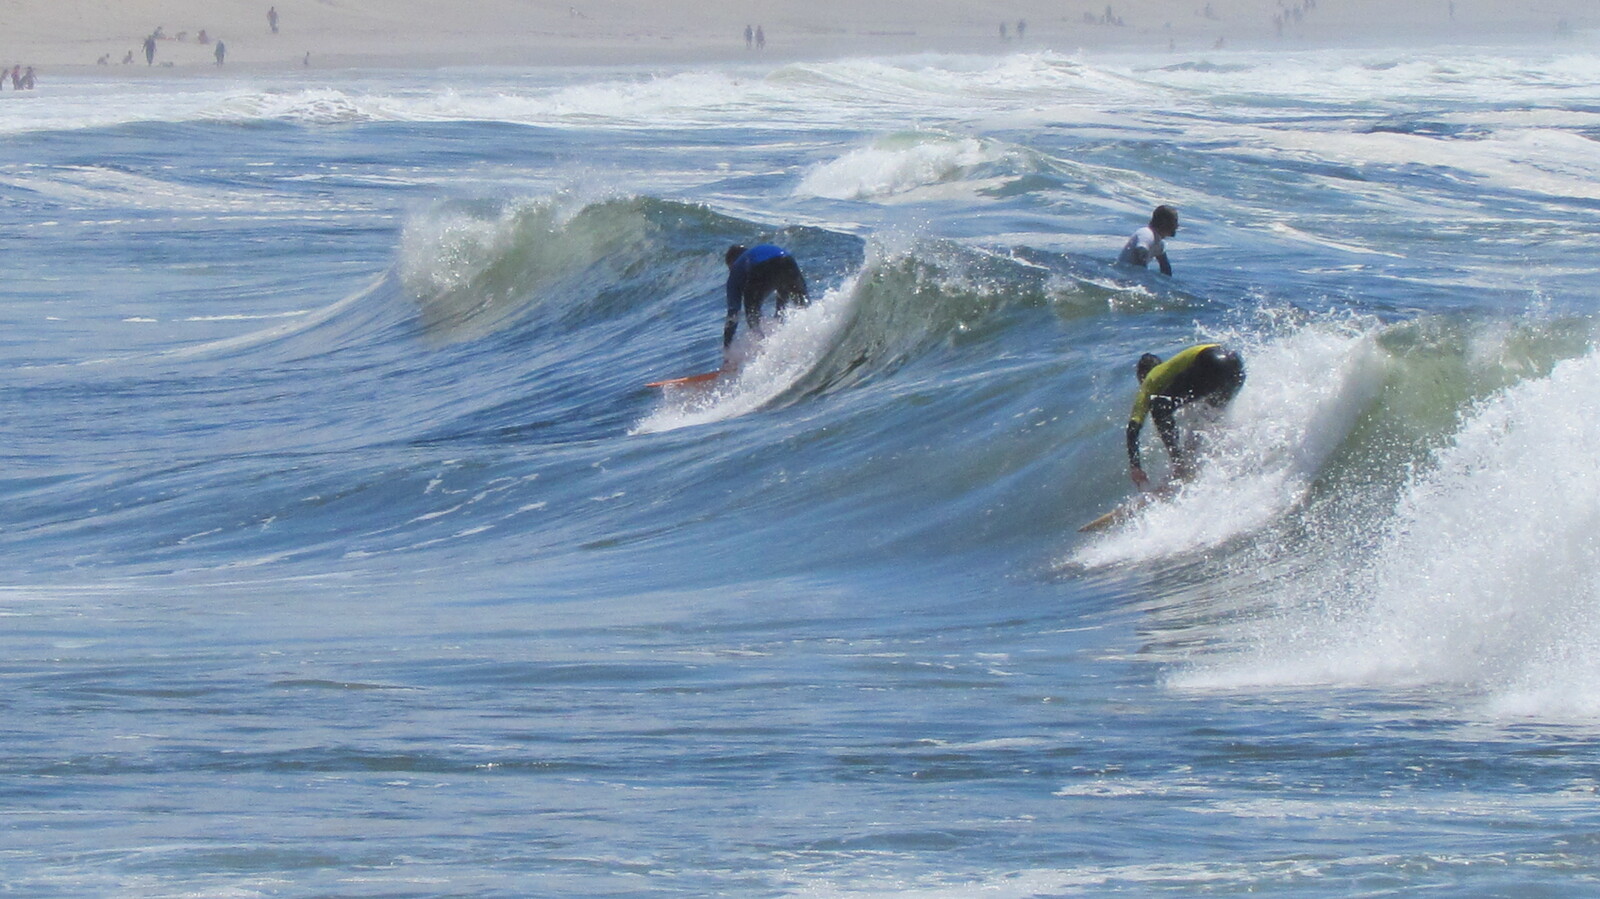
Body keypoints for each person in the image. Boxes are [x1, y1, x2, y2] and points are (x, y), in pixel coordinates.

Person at [1125, 343, 1244, 488]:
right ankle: (1200, 463)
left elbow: (1133, 428)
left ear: (1141, 376)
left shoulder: (1151, 379)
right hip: (1236, 366)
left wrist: (1135, 466)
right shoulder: (1175, 371)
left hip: (1211, 361)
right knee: (1204, 418)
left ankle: (1180, 466)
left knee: (1159, 406)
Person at [722, 243, 809, 366]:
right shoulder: (758, 252)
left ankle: (767, 356)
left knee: (752, 317)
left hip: (761, 268)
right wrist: (779, 318)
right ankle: (810, 342)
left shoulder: (736, 268)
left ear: (731, 263)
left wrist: (727, 351)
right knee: (804, 307)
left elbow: (733, 314)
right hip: (788, 261)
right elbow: (782, 290)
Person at [1118, 204, 1179, 276]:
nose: (1177, 226)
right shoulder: (1147, 234)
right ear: (1164, 222)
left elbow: (1165, 268)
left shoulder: (1159, 243)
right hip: (1122, 275)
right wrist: (1144, 278)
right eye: (1175, 221)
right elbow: (1140, 253)